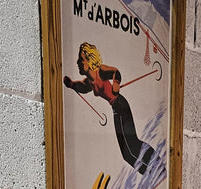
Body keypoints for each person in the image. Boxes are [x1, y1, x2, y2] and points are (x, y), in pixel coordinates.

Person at [64, 42, 155, 174]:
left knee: (133, 144)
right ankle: (149, 173)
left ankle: (156, 163)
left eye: (81, 59)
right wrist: (71, 84)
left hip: (121, 105)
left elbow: (115, 72)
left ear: (89, 61)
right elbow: (82, 88)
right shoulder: (89, 81)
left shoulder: (100, 72)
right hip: (116, 109)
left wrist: (116, 84)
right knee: (126, 154)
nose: (78, 62)